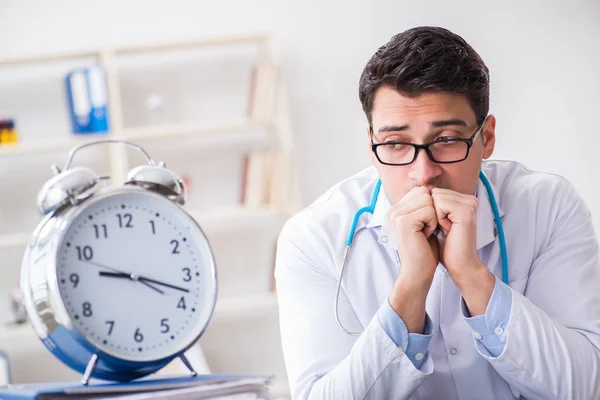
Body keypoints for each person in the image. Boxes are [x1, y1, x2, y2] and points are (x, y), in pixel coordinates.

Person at [274, 26, 600, 399]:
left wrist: (473, 276)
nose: (423, 172)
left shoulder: (547, 206)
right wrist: (412, 285)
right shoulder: (313, 238)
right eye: (395, 144)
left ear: (487, 137)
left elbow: (587, 387)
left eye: (446, 140)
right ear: (371, 144)